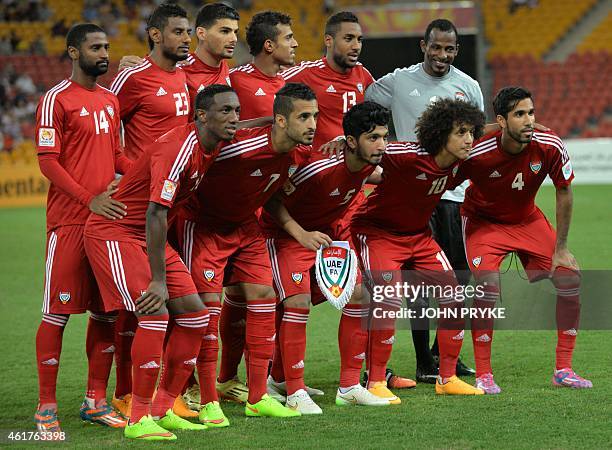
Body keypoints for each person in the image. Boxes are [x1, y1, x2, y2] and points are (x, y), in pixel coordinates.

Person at [84, 84, 240, 441]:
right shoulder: (180, 149)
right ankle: (138, 419)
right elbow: (155, 212)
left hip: (144, 237)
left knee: (196, 316)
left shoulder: (211, 138)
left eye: (236, 111)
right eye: (226, 111)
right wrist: (158, 280)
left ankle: (163, 408)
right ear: (202, 116)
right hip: (117, 233)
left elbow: (250, 127)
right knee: (154, 314)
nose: (234, 119)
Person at [182, 82, 319, 418]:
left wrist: (296, 230)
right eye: (304, 117)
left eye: (315, 116)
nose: (313, 124)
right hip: (204, 227)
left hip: (246, 228)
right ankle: (205, 397)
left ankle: (258, 397)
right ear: (281, 121)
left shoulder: (298, 153)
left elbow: (269, 193)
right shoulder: (237, 147)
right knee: (206, 311)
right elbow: (191, 151)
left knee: (264, 296)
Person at [261, 101, 399, 412]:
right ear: (351, 141)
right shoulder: (318, 168)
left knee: (360, 295)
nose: (381, 145)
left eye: (384, 137)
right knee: (296, 303)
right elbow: (270, 199)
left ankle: (349, 386)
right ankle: (293, 391)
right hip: (283, 235)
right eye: (373, 138)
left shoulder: (367, 163)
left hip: (323, 236)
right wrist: (300, 234)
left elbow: (393, 168)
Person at [454, 86, 592, 393]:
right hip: (483, 222)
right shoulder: (476, 152)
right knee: (487, 286)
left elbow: (564, 191)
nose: (529, 120)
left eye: (531, 112)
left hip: (526, 219)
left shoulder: (549, 145)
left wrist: (562, 248)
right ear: (501, 121)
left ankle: (564, 368)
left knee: (569, 278)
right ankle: (484, 374)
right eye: (519, 115)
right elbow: (441, 175)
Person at [365, 18, 481, 382]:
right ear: (423, 45)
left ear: (456, 51)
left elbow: (474, 138)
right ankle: (423, 360)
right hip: (413, 193)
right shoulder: (396, 82)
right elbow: (364, 106)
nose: (441, 55)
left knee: (460, 279)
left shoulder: (468, 87)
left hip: (454, 195)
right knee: (418, 281)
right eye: (436, 47)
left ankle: (443, 353)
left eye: (449, 49)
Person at [351, 97, 487, 399]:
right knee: (387, 299)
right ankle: (374, 382)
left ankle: (446, 377)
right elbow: (365, 150)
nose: (469, 140)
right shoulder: (405, 155)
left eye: (471, 132)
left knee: (453, 295)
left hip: (417, 236)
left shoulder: (460, 165)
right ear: (441, 134)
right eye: (461, 132)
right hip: (377, 233)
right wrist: (341, 144)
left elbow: (496, 143)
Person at [34, 23, 131, 433]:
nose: (104, 53)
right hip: (70, 223)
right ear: (74, 52)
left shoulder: (110, 101)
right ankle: (45, 406)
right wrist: (87, 198)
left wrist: (139, 176)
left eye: (106, 46)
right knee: (57, 313)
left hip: (106, 225)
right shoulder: (56, 99)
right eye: (95, 47)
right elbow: (47, 161)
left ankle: (95, 399)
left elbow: (119, 156)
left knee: (106, 313)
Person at [109, 2, 197, 419]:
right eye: (179, 32)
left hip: (171, 201)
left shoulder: (182, 74)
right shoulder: (133, 76)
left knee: (175, 303)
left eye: (189, 32)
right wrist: (128, 175)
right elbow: (107, 132)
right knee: (128, 305)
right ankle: (121, 392)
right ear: (156, 35)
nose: (187, 39)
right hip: (137, 205)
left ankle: (164, 392)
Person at [281, 11, 374, 151]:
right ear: (328, 41)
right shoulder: (307, 72)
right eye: (349, 39)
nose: (356, 46)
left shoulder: (363, 74)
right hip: (319, 161)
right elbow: (267, 85)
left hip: (354, 159)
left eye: (359, 40)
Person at [228, 11, 297, 119]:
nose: (295, 44)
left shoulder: (288, 82)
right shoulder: (234, 79)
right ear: (269, 45)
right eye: (288, 38)